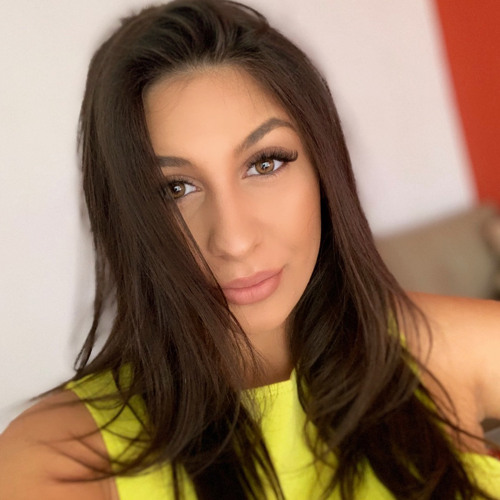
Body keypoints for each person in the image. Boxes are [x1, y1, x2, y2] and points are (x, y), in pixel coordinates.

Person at [1, 1, 499, 498]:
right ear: (127, 217)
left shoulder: (445, 349)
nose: (235, 240)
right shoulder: (55, 461)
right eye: (174, 189)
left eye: (265, 163)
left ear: (322, 167)